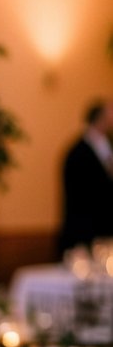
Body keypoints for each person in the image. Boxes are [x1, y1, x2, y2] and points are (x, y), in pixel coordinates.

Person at [58, 100, 113, 255]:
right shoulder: (78, 153)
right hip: (85, 237)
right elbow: (82, 197)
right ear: (100, 118)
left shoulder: (107, 146)